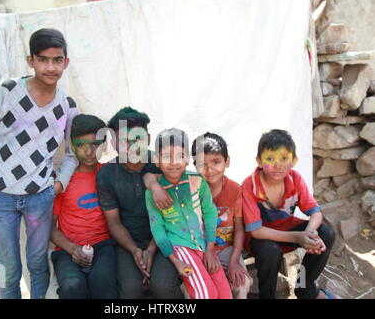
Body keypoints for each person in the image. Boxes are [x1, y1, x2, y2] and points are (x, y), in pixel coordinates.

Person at [0, 28, 78, 299]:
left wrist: (57, 184)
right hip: (0, 197)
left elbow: (73, 153)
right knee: (8, 271)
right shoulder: (7, 91)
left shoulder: (67, 106)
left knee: (39, 266)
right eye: (43, 59)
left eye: (57, 60)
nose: (50, 67)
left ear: (66, 62)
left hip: (39, 198)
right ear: (31, 61)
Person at [96, 107, 184, 299]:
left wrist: (151, 251)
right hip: (127, 243)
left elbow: (173, 217)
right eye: (123, 141)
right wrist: (135, 251)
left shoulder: (163, 164)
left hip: (166, 239)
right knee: (130, 290)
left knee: (162, 287)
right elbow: (114, 222)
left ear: (149, 138)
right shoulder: (106, 175)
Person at [242, 129, 338, 299]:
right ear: (259, 161)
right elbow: (255, 231)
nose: (278, 165)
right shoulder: (250, 186)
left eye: (284, 158)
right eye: (270, 159)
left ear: (294, 161)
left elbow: (315, 212)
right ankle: (267, 296)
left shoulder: (295, 179)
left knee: (326, 234)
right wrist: (297, 237)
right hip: (260, 238)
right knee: (270, 252)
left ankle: (304, 288)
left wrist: (309, 233)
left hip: (288, 230)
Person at [145, 128, 232, 299]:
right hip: (181, 248)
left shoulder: (198, 182)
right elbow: (158, 229)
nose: (173, 162)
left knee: (225, 294)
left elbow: (209, 214)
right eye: (166, 157)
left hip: (203, 244)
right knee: (205, 294)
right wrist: (175, 261)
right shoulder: (152, 193)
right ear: (156, 160)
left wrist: (210, 248)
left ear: (187, 159)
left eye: (179, 156)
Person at [50, 114, 117, 299]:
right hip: (67, 249)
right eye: (81, 145)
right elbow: (50, 227)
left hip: (103, 245)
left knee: (103, 282)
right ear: (72, 146)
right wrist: (72, 248)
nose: (89, 152)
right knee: (72, 288)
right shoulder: (63, 181)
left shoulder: (107, 174)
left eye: (95, 144)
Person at [191, 132, 253, 299]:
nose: (210, 170)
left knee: (241, 283)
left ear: (227, 161)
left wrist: (234, 262)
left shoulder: (235, 190)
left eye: (216, 162)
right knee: (199, 289)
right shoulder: (191, 190)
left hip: (227, 249)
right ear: (194, 165)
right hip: (200, 250)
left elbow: (239, 229)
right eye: (202, 164)